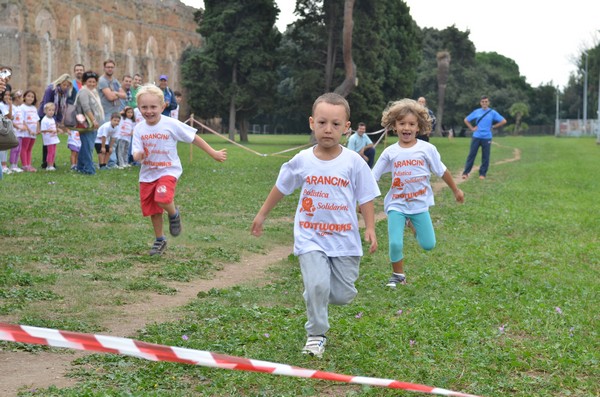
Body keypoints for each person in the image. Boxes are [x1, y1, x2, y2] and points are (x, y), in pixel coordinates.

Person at [251, 92, 380, 358]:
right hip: (310, 237)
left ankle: (315, 291)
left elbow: (366, 196)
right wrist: (263, 214)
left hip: (345, 240)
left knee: (343, 295)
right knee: (318, 286)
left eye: (335, 124)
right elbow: (281, 187)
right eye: (322, 123)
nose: (328, 130)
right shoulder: (302, 160)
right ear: (312, 123)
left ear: (346, 128)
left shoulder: (354, 162)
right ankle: (316, 334)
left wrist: (370, 227)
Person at [372, 98, 464, 287]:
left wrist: (456, 190)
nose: (406, 127)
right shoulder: (390, 152)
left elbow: (442, 171)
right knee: (395, 243)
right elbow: (372, 177)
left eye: (411, 124)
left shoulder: (427, 149)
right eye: (402, 123)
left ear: (419, 127)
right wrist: (362, 200)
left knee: (428, 244)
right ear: (394, 126)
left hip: (419, 205)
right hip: (396, 204)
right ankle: (398, 275)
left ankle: (411, 223)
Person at [131, 84, 227, 256]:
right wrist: (138, 155)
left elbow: (193, 137)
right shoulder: (139, 129)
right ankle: (160, 239)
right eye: (144, 107)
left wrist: (213, 153)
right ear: (139, 108)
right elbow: (136, 151)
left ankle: (174, 214)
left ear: (163, 106)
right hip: (147, 175)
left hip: (168, 171)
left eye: (153, 107)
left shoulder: (171, 124)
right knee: (153, 211)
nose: (149, 111)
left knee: (162, 198)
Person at [462, 95, 506, 180]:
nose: (484, 103)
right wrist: (471, 128)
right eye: (483, 102)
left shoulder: (492, 112)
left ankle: (482, 174)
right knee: (472, 155)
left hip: (487, 137)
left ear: (488, 103)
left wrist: (493, 126)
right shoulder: (477, 111)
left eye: (486, 102)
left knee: (485, 156)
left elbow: (503, 121)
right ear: (480, 103)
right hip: (476, 136)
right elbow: (466, 120)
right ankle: (466, 173)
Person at [38, 74, 72, 169]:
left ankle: (51, 162)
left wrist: (58, 120)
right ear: (60, 82)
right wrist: (49, 118)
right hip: (46, 115)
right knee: (47, 140)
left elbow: (62, 106)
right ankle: (46, 162)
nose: (66, 87)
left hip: (55, 116)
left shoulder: (64, 92)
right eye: (64, 85)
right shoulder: (51, 90)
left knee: (52, 140)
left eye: (67, 85)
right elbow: (46, 104)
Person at [76, 71, 104, 175]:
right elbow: (86, 107)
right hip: (87, 123)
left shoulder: (93, 92)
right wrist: (94, 120)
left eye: (94, 81)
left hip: (92, 124)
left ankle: (80, 167)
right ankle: (89, 169)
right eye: (89, 81)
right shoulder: (84, 91)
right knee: (88, 146)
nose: (92, 83)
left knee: (86, 146)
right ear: (84, 82)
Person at [20, 90, 39, 172]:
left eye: (32, 96)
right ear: (24, 97)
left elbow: (37, 119)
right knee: (24, 148)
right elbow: (22, 120)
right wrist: (29, 129)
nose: (30, 98)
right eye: (28, 96)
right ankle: (25, 165)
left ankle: (29, 164)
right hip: (26, 132)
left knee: (30, 149)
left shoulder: (34, 108)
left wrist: (38, 129)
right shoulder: (22, 107)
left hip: (33, 132)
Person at [39, 102, 62, 171]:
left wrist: (57, 130)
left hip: (54, 138)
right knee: (50, 152)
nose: (51, 112)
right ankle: (49, 165)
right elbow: (43, 130)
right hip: (49, 139)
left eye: (53, 110)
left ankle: (52, 164)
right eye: (49, 110)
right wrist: (50, 131)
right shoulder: (44, 120)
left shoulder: (52, 119)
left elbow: (53, 128)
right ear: (45, 111)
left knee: (53, 152)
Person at [9, 90, 25, 172]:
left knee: (19, 149)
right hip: (15, 132)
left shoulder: (19, 108)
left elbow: (22, 120)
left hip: (20, 133)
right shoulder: (13, 108)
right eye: (22, 97)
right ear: (17, 98)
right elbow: (11, 120)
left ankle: (16, 164)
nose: (23, 99)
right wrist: (18, 127)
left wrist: (24, 126)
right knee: (14, 148)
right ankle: (12, 164)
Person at [0, 89, 13, 173]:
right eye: (5, 95)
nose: (7, 97)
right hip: (2, 127)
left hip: (5, 127)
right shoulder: (1, 104)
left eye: (9, 95)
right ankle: (3, 166)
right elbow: (9, 116)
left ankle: (4, 165)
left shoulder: (5, 104)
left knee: (5, 147)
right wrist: (11, 105)